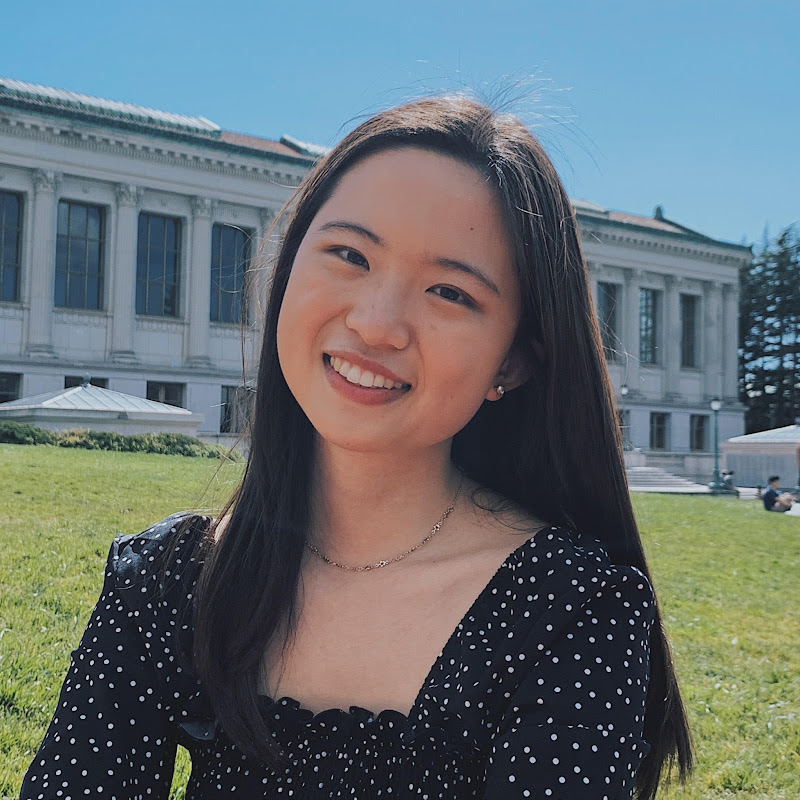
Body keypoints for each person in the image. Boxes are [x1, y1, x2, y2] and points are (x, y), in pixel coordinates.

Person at [21, 96, 693, 800]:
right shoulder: (167, 581)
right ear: (288, 269)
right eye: (349, 255)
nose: (375, 324)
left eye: (449, 292)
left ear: (514, 361)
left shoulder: (572, 612)